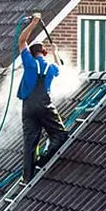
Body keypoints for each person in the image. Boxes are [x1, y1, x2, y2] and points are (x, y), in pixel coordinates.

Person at [17, 13, 68, 184]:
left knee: (30, 141)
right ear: (44, 52)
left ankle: (28, 177)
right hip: (45, 106)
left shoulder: (29, 63)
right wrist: (56, 53)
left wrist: (33, 24)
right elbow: (60, 68)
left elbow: (21, 41)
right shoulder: (50, 66)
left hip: (28, 107)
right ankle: (43, 161)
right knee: (60, 135)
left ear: (30, 54)